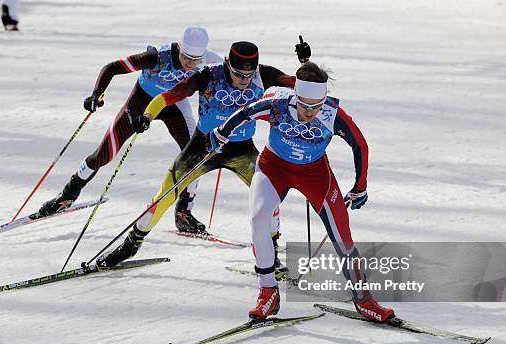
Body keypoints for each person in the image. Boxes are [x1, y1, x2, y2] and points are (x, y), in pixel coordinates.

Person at [96, 41, 300, 274]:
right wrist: (148, 115)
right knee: (163, 196)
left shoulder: (265, 74)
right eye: (238, 74)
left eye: (249, 74)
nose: (244, 80)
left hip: (242, 150)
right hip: (202, 147)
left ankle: (271, 251)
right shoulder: (208, 75)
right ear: (227, 64)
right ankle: (131, 245)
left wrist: (305, 66)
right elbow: (168, 96)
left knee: (270, 198)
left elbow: (303, 87)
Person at [212, 61, 395, 322]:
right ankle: (268, 292)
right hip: (273, 167)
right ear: (295, 96)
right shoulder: (276, 104)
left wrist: (360, 186)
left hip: (315, 173)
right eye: (304, 105)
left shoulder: (332, 114)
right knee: (258, 219)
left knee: (342, 235)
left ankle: (365, 300)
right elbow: (244, 113)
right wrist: (221, 134)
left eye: (316, 106)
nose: (310, 112)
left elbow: (360, 146)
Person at [39, 26, 221, 234]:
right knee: (104, 154)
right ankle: (67, 196)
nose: (190, 64)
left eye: (196, 59)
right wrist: (96, 94)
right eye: (186, 57)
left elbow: (233, 79)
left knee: (195, 157)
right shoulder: (156, 57)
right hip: (140, 103)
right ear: (179, 47)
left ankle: (184, 214)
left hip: (174, 108)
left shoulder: (212, 60)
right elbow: (112, 67)